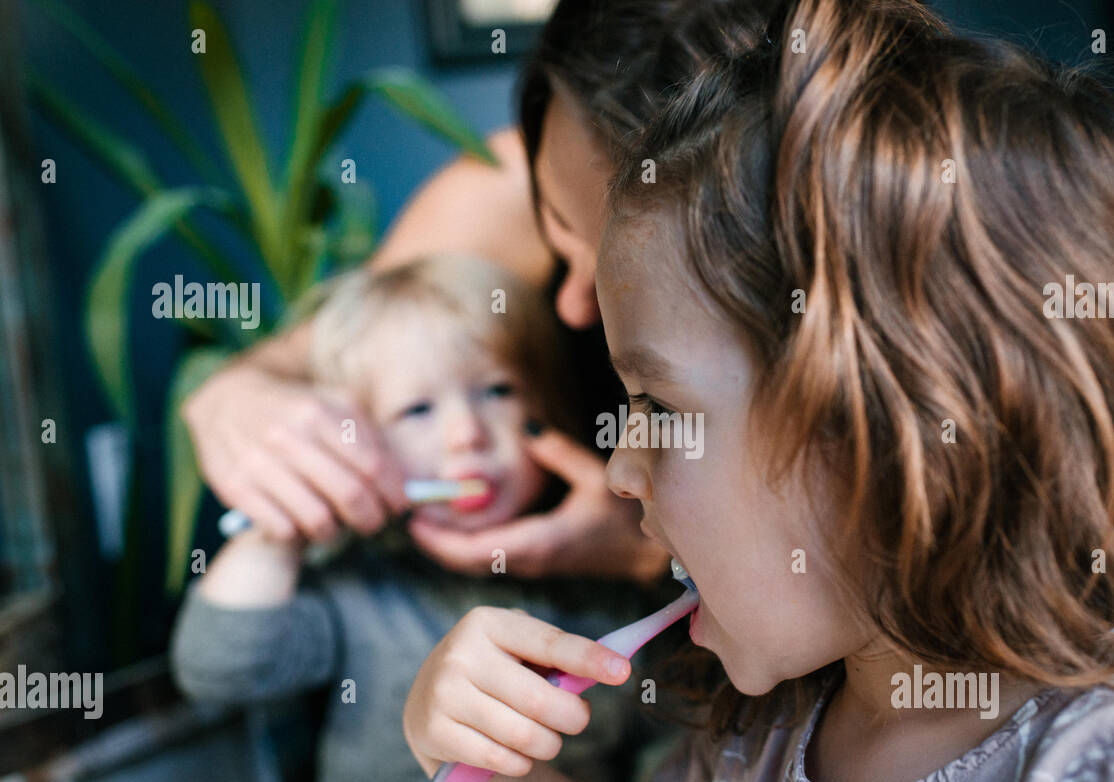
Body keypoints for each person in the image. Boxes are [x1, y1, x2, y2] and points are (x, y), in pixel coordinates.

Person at [401, 0, 1114, 782]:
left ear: (885, 423)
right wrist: (486, 773)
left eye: (659, 408)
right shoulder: (765, 722)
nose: (620, 470)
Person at [180, 0, 780, 586]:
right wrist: (235, 395)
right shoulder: (507, 184)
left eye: (617, 275)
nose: (572, 306)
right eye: (557, 226)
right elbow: (311, 351)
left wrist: (646, 559)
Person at [170, 254, 671, 782]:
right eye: (417, 410)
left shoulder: (602, 582)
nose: (466, 434)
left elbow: (670, 744)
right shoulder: (358, 588)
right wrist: (286, 523)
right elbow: (218, 666)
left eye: (496, 391)